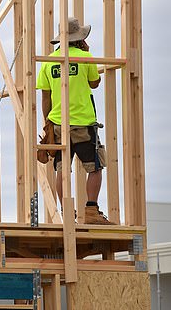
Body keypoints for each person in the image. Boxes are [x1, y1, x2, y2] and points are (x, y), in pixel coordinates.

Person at [36, 17, 114, 225]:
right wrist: (86, 52)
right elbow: (95, 83)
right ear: (79, 38)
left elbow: (46, 97)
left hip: (58, 124)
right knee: (95, 167)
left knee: (62, 169)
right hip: (83, 122)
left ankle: (66, 213)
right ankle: (91, 211)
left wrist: (48, 124)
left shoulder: (49, 61)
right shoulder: (85, 56)